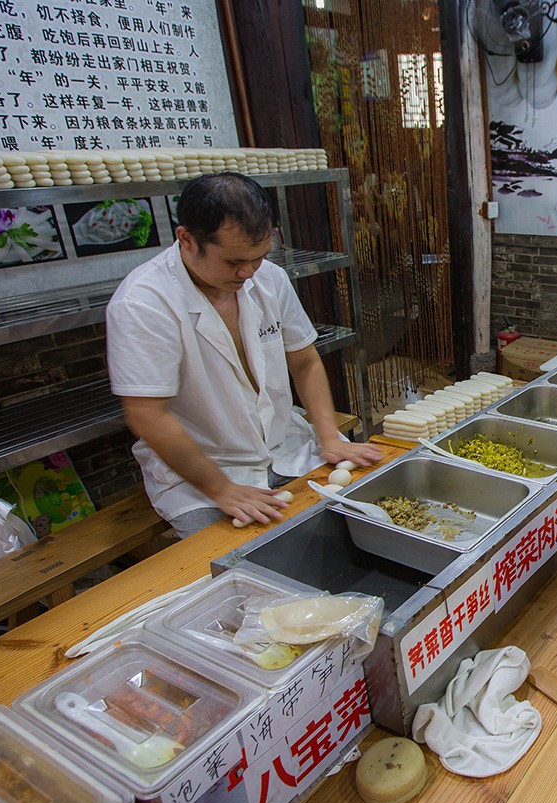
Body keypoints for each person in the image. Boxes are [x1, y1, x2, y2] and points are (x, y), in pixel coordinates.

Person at [107, 171, 381, 538]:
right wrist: (221, 489)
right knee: (244, 563)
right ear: (187, 239)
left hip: (288, 446)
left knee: (368, 518)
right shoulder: (143, 304)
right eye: (234, 261)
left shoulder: (268, 278)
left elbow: (304, 359)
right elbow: (147, 414)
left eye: (259, 257)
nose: (249, 273)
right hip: (205, 472)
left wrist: (329, 436)